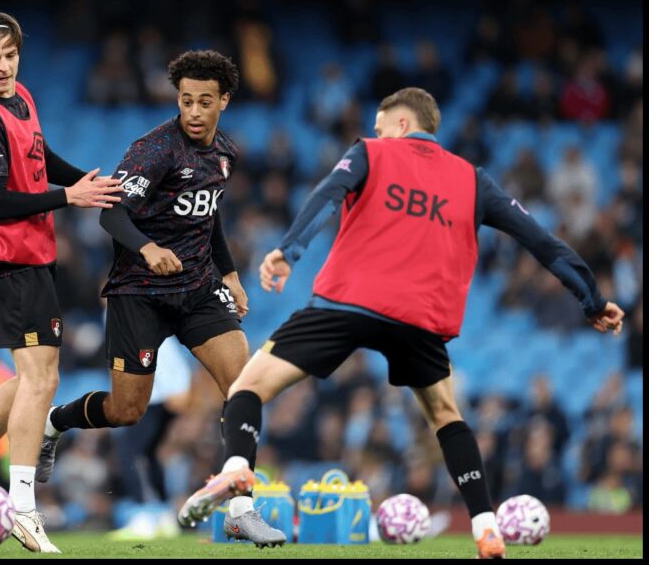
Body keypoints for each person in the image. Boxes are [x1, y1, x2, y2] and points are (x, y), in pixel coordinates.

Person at [178, 87, 626, 559]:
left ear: (401, 125)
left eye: (379, 126)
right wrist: (592, 299)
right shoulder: (474, 181)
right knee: (446, 417)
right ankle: (486, 527)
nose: (374, 134)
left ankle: (239, 485)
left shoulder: (371, 152)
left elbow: (328, 193)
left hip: (348, 304)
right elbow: (541, 240)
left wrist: (288, 251)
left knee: (247, 389)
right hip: (421, 321)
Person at [34, 50, 282, 547]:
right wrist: (147, 249)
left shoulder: (225, 154)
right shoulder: (155, 150)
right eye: (186, 100)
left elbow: (208, 220)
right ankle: (54, 422)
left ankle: (240, 508)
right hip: (139, 293)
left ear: (224, 102)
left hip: (196, 290)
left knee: (245, 386)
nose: (193, 111)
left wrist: (229, 274)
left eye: (204, 102)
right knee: (128, 412)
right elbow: (110, 214)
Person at [0, 11, 122, 554]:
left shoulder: (21, 97)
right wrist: (68, 198)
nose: (4, 66)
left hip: (34, 257)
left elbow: (37, 157)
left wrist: (81, 179)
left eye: (10, 55)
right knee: (40, 381)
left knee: (36, 377)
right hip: (9, 262)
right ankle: (23, 508)